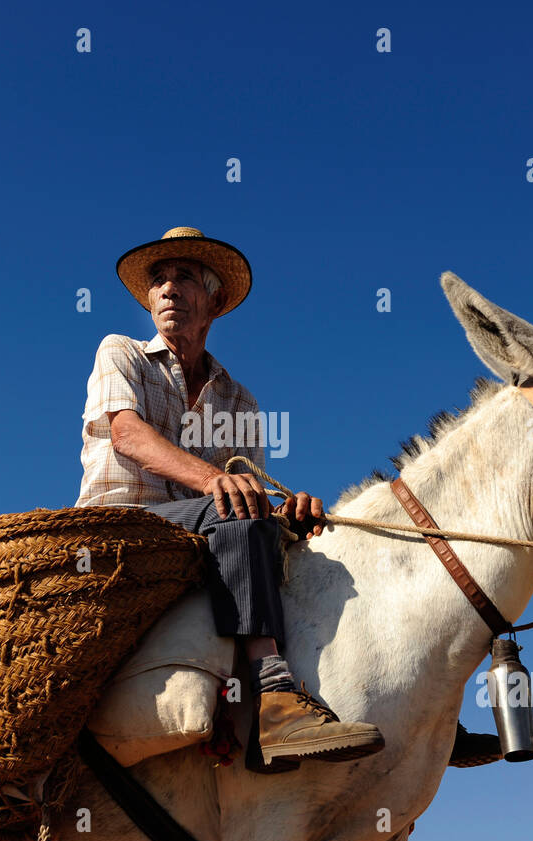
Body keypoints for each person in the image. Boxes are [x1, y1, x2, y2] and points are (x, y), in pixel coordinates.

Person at [77, 226, 497, 773]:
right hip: (127, 526)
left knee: (323, 555)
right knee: (240, 515)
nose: (167, 289)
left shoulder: (238, 399)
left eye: (183, 277)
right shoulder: (121, 351)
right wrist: (216, 484)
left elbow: (247, 494)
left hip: (204, 530)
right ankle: (275, 698)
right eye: (158, 279)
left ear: (214, 300)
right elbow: (127, 434)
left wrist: (287, 513)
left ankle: (417, 716)